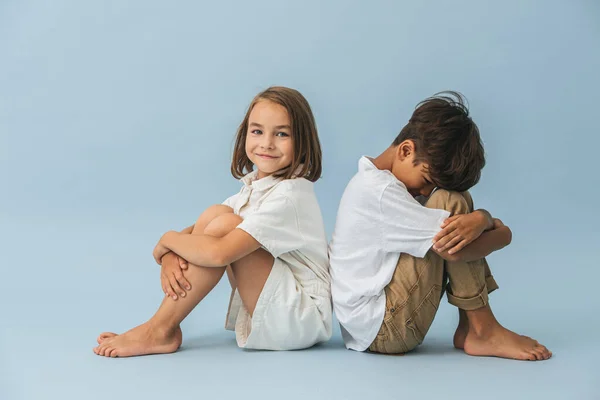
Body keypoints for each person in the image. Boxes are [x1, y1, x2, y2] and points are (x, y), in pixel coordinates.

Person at [94, 86, 332, 357]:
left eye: (282, 134)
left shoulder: (290, 196)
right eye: (257, 131)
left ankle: (159, 328)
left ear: (303, 141)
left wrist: (167, 239)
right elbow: (197, 232)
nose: (266, 143)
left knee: (224, 228)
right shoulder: (257, 187)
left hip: (299, 317)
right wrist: (171, 255)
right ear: (245, 134)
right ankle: (162, 327)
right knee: (216, 214)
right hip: (278, 303)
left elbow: (219, 253)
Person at [328, 91, 551, 361]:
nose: (426, 191)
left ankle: (471, 328)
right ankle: (483, 330)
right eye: (426, 179)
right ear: (406, 150)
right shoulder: (381, 193)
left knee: (453, 205)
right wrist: (499, 231)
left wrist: (481, 219)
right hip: (385, 330)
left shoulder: (373, 180)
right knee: (451, 201)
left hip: (368, 327)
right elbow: (454, 252)